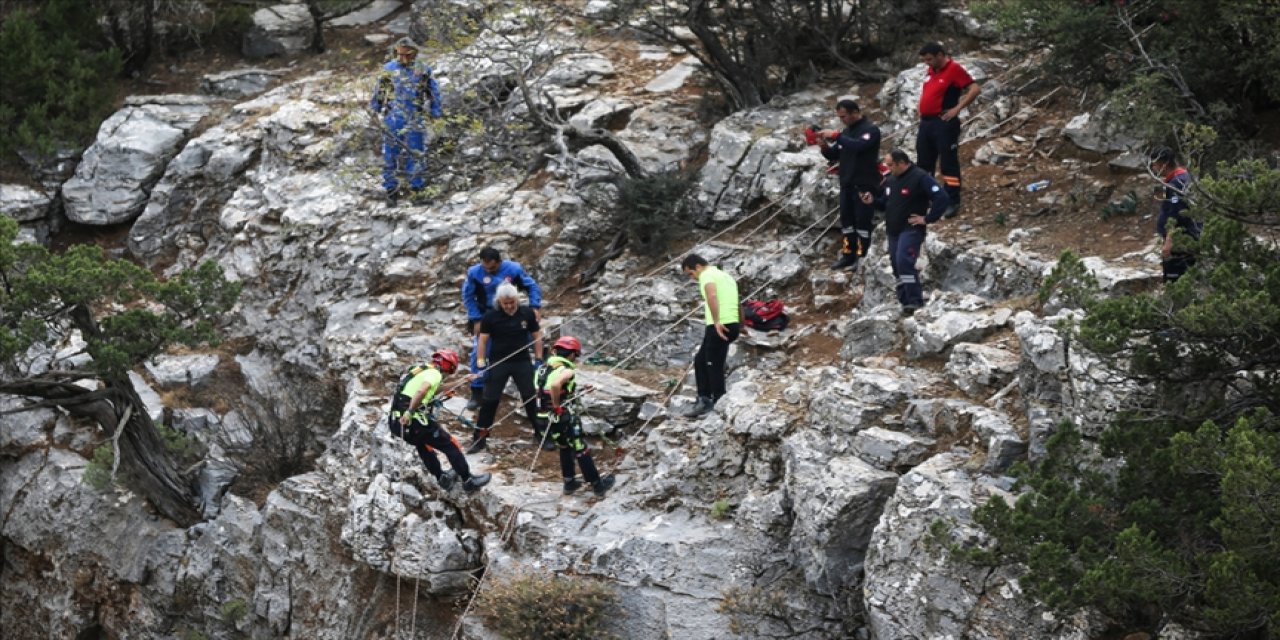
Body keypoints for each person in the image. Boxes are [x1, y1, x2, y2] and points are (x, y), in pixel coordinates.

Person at [861, 149, 951, 316]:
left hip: (911, 229)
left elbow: (942, 197)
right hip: (893, 230)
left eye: (890, 165)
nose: (887, 168)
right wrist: (872, 201)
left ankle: (915, 301)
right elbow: (886, 204)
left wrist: (928, 218)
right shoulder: (891, 180)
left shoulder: (920, 177)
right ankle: (904, 301)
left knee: (904, 262)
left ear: (901, 163)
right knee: (896, 265)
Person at [388, 350, 491, 492]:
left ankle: (441, 478)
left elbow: (434, 388)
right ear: (449, 366)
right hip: (413, 421)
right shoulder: (435, 374)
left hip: (396, 421)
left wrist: (463, 380)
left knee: (423, 445)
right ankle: (468, 480)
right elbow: (422, 391)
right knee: (450, 445)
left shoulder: (422, 369)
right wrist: (410, 412)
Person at [461, 247, 543, 410]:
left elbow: (532, 286)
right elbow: (468, 296)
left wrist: (535, 306)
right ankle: (477, 390)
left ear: (499, 262)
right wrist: (476, 318)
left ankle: (538, 370)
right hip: (487, 315)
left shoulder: (514, 269)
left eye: (492, 268)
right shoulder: (474, 273)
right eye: (485, 267)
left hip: (511, 312)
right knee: (480, 349)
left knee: (528, 339)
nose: (488, 271)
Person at [535, 336, 616, 497]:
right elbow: (555, 385)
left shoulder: (543, 368)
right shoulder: (567, 370)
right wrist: (558, 406)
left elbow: (548, 388)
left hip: (544, 416)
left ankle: (569, 482)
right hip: (562, 416)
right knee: (580, 447)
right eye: (576, 355)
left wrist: (578, 389)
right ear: (572, 354)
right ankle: (597, 485)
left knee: (565, 446)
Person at [469, 283, 545, 453]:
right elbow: (482, 340)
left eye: (512, 303)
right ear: (499, 302)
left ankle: (540, 434)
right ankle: (479, 438)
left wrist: (539, 359)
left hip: (522, 361)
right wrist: (481, 362)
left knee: (530, 398)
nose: (509, 306)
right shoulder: (491, 316)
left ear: (517, 299)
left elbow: (536, 337)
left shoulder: (526, 313)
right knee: (489, 401)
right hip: (499, 361)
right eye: (505, 303)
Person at [370, 37, 442, 206]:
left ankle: (417, 191)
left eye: (407, 54)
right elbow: (379, 92)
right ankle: (391, 192)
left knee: (416, 154)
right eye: (400, 54)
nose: (403, 58)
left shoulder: (423, 70)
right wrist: (375, 109)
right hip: (393, 117)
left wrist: (435, 113)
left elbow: (434, 92)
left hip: (414, 117)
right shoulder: (389, 69)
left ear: (414, 53)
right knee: (390, 155)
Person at [916, 42, 980, 218]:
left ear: (939, 55)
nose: (927, 63)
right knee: (924, 162)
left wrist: (957, 108)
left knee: (948, 163)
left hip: (943, 123)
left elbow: (974, 88)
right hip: (926, 123)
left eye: (929, 59)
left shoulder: (954, 69)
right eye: (924, 60)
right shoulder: (931, 71)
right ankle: (927, 197)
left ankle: (952, 200)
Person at [818, 99, 882, 270]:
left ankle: (861, 256)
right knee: (847, 222)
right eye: (840, 117)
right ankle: (848, 254)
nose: (842, 120)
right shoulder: (846, 132)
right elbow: (835, 155)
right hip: (846, 183)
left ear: (855, 112)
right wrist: (824, 146)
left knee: (863, 222)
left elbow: (859, 146)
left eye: (844, 116)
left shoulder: (870, 130)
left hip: (864, 184)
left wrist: (837, 136)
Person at [680, 254, 741, 418]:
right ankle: (705, 398)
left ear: (698, 267)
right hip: (732, 323)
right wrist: (742, 324)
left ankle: (716, 402)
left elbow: (712, 295)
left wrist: (716, 321)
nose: (692, 278)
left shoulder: (707, 275)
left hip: (720, 324)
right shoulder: (726, 276)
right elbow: (737, 301)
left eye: (690, 273)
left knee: (712, 363)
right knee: (701, 360)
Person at [1149, 147, 1201, 283]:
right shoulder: (1181, 177)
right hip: (1187, 237)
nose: (1153, 168)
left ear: (1163, 164)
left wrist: (1169, 242)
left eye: (1154, 164)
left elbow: (1176, 215)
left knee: (1176, 278)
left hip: (1181, 240)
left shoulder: (1176, 184)